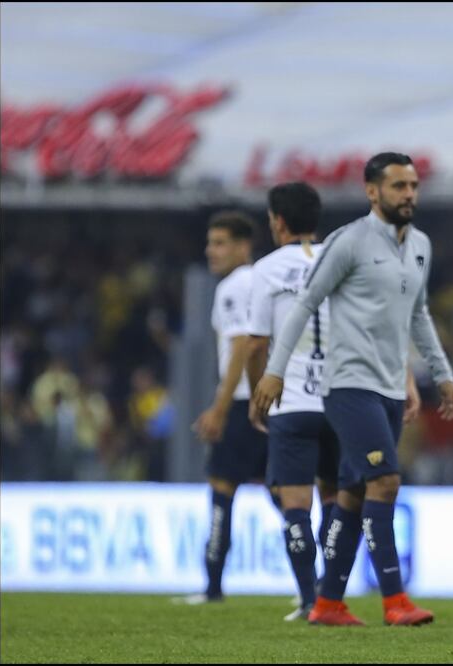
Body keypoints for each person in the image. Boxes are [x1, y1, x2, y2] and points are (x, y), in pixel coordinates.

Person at [251, 152, 453, 627]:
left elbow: (418, 315)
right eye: (398, 186)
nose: (409, 194)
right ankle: (394, 600)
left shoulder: (421, 245)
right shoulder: (348, 242)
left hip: (388, 385)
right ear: (373, 192)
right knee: (384, 481)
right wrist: (274, 371)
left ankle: (327, 603)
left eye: (413, 186)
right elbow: (306, 304)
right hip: (348, 385)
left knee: (349, 494)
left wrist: (440, 373)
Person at [244, 181, 341, 622]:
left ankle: (308, 599)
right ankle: (331, 595)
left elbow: (255, 343)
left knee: (294, 503)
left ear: (278, 222)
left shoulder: (265, 269)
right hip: (341, 400)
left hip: (291, 401)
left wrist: (257, 394)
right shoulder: (340, 259)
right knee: (338, 501)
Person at [178, 211, 267, 604]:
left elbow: (242, 344)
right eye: (210, 242)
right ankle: (315, 588)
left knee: (222, 492)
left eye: (219, 243)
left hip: (242, 403)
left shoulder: (233, 286)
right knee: (287, 495)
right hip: (271, 403)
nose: (210, 251)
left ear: (242, 246)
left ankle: (212, 588)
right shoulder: (264, 281)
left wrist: (219, 406)